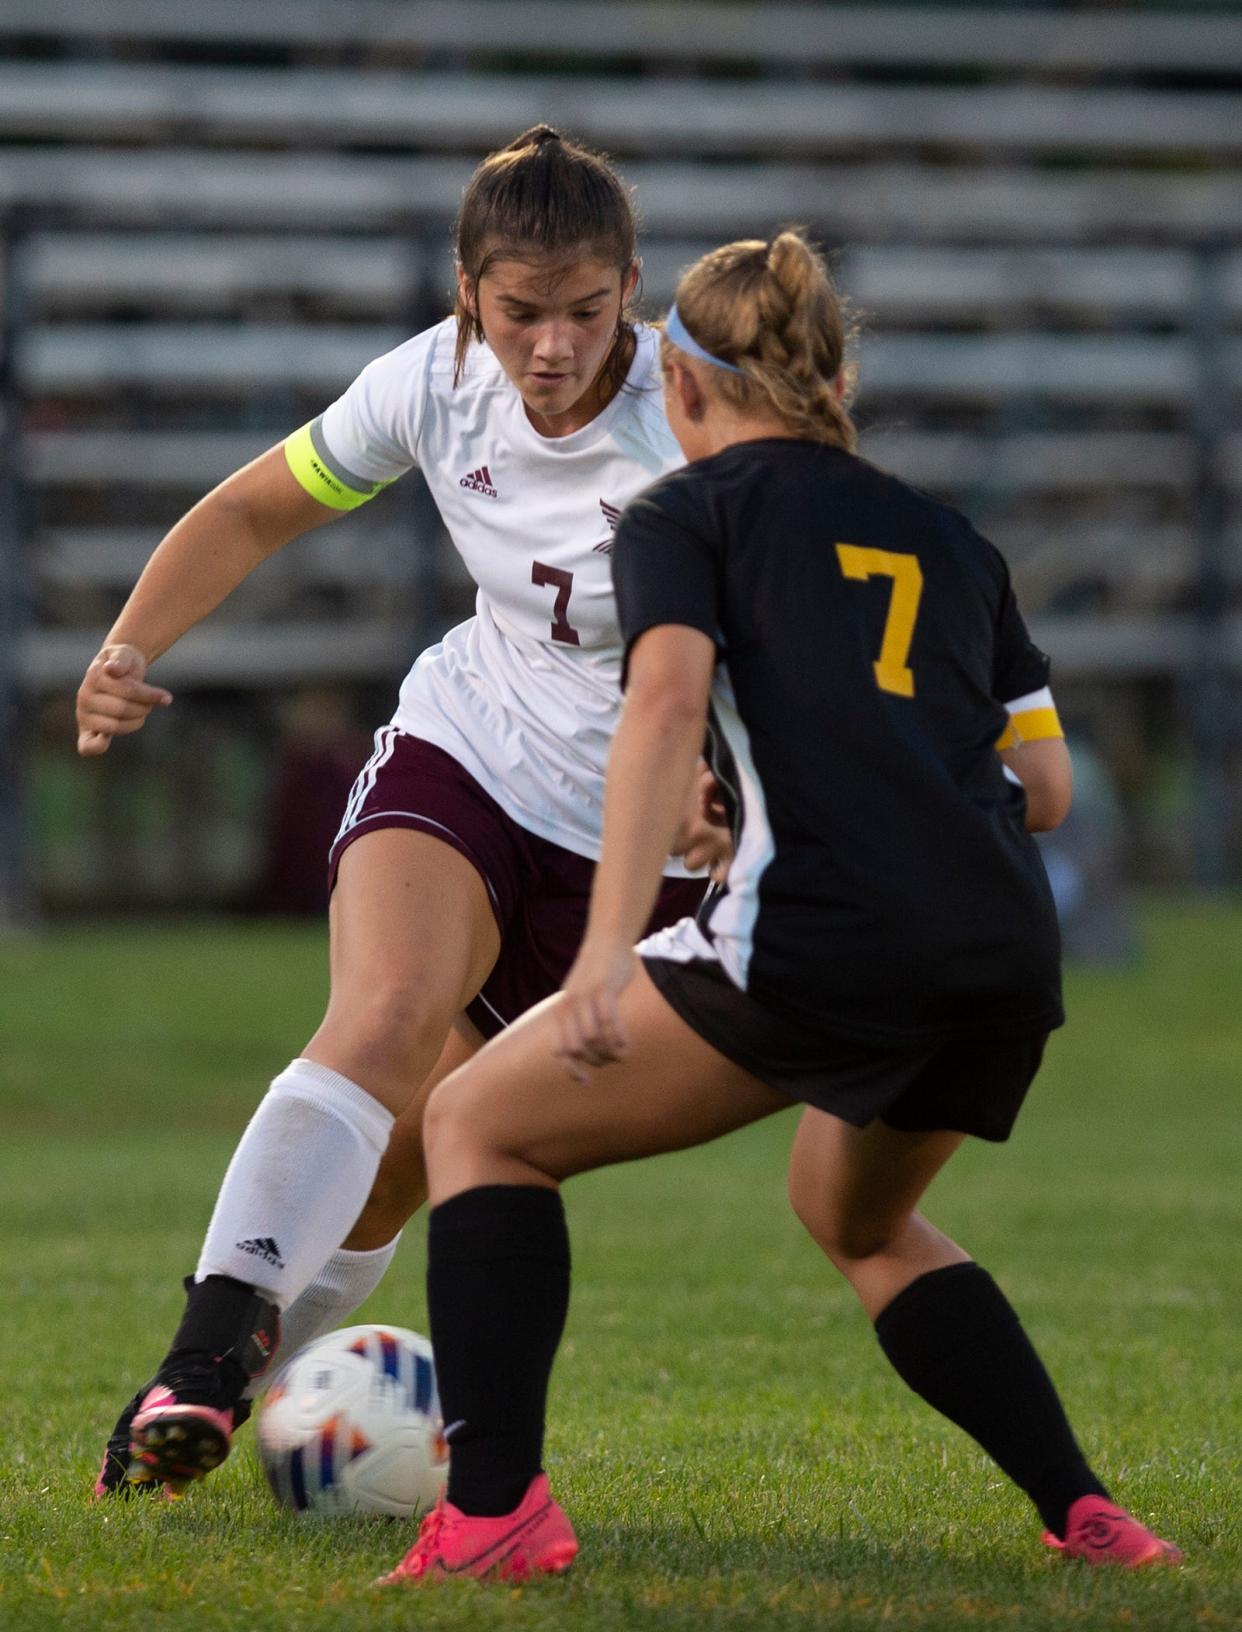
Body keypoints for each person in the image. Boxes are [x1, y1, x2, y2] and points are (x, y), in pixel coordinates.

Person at [378, 231, 1182, 1584]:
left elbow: (663, 707)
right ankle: (1088, 1516)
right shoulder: (951, 539)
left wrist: (597, 959)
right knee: (854, 1215)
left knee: (476, 1121)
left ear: (679, 386)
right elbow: (1040, 787)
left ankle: (494, 1516)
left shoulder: (681, 516)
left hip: (822, 930)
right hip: (997, 947)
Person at [77, 126, 718, 1496]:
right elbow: (251, 513)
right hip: (466, 754)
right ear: (464, 295)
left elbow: (792, 634)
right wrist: (130, 648)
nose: (550, 346)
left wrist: (743, 788)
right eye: (517, 312)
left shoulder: (697, 420)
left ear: (632, 289)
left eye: (585, 311)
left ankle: (241, 1400)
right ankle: (196, 1366)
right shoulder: (429, 383)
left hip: (634, 839)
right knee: (378, 1020)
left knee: (401, 1166)